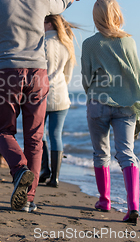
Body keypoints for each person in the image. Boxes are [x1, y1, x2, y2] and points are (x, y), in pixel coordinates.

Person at [0, 0, 86, 212]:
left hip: (6, 73)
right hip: (38, 74)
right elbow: (61, 4)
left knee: (3, 131)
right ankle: (28, 199)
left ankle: (20, 170)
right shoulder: (42, 0)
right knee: (35, 137)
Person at [81, 0, 140, 224]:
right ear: (117, 14)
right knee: (126, 153)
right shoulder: (128, 41)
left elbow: (86, 78)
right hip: (125, 104)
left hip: (98, 102)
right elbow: (137, 76)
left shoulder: (90, 44)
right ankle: (133, 207)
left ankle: (105, 200)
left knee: (101, 153)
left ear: (96, 17)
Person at [39, 14, 78, 187]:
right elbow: (68, 75)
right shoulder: (67, 44)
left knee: (39, 135)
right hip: (61, 95)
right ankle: (55, 177)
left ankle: (44, 169)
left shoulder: (40, 44)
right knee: (56, 135)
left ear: (48, 24)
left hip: (41, 96)